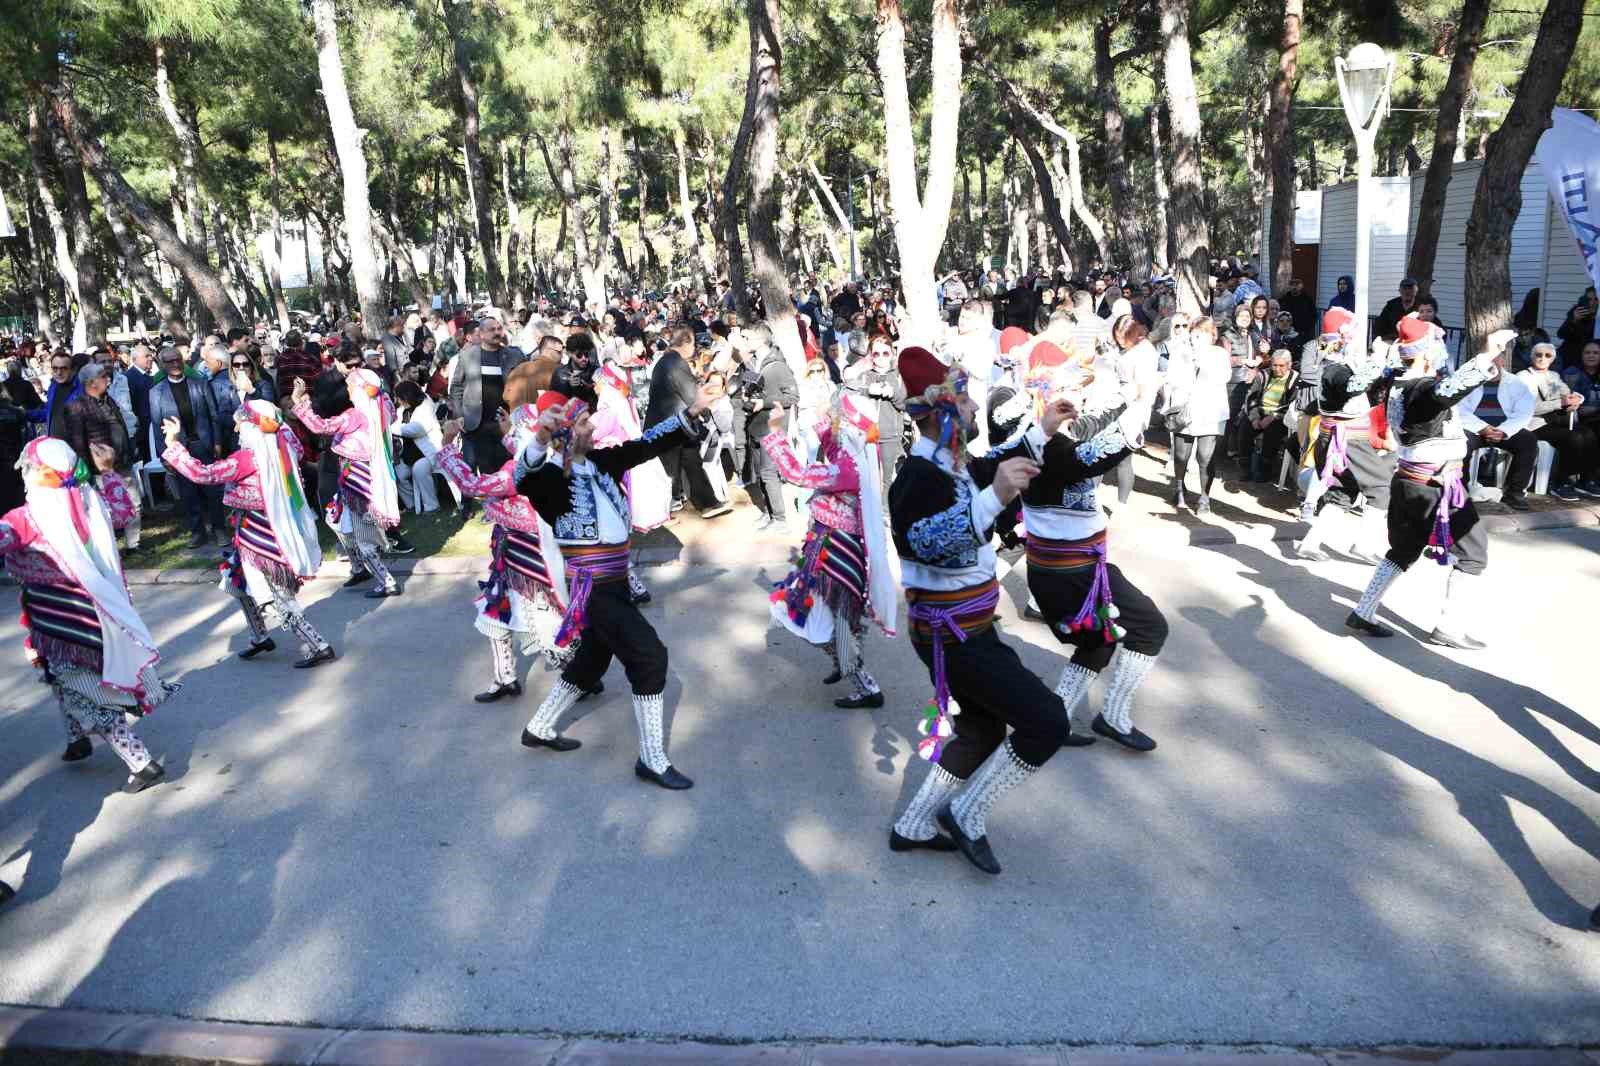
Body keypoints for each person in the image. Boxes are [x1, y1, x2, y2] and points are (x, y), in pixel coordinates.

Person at [885, 346, 1087, 876]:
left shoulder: (949, 464)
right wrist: (994, 497)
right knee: (1046, 722)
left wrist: (1043, 429)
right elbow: (921, 542)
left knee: (980, 730)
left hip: (965, 629)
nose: (975, 409)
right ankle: (967, 814)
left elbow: (993, 466)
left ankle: (911, 827)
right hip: (953, 635)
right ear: (939, 412)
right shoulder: (915, 478)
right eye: (966, 401)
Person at [511, 384, 724, 790]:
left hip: (615, 583)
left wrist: (692, 410)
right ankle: (652, 758)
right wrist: (539, 438)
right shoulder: (550, 480)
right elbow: (523, 475)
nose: (595, 425)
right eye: (587, 421)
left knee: (592, 660)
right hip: (593, 589)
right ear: (567, 432)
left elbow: (644, 443)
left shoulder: (600, 461)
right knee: (649, 658)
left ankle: (539, 727)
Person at [1002, 339, 1167, 750]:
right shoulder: (1043, 442)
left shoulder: (1051, 429)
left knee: (1099, 640)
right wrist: (1142, 407)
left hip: (1073, 569)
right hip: (1070, 573)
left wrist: (1132, 395)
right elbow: (1089, 457)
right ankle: (1112, 716)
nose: (1079, 395)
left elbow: (1091, 424)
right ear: (1047, 392)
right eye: (1071, 388)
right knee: (1149, 628)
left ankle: (1056, 718)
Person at [0, 438, 178, 794]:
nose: (25, 475)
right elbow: (125, 511)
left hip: (62, 623)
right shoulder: (88, 499)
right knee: (58, 676)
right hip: (92, 613)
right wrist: (109, 473)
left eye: (29, 469)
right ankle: (76, 738)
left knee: (82, 690)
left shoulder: (26, 518)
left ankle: (141, 762)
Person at [1345, 316, 1500, 649]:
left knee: (1403, 550)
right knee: (1473, 554)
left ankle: (1363, 611)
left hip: (1410, 481)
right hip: (1435, 485)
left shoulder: (1398, 384)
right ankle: (1449, 627)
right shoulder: (1420, 387)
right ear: (1427, 353)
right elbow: (1447, 390)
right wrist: (1487, 355)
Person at [160, 401, 336, 668]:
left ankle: (318, 645)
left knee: (276, 596)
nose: (235, 428)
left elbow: (204, 474)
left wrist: (173, 443)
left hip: (258, 534)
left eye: (239, 422)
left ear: (252, 425)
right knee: (237, 583)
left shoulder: (248, 457)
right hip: (267, 527)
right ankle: (260, 636)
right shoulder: (283, 445)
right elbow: (287, 433)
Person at [762, 391, 897, 710]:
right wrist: (825, 414)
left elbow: (795, 473)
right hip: (831, 548)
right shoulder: (856, 455)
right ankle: (849, 668)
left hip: (833, 554)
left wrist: (776, 433)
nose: (833, 426)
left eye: (838, 420)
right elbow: (832, 440)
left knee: (825, 623)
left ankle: (865, 685)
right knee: (827, 620)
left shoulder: (844, 469)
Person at [436, 405, 573, 702]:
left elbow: (472, 484)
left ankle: (580, 673)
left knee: (543, 620)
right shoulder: (548, 459)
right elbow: (523, 446)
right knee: (496, 614)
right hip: (512, 551)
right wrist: (509, 431)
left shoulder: (517, 471)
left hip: (526, 556)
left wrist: (448, 446)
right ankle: (505, 678)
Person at [1292, 308, 1396, 563]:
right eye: (1354, 335)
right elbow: (1355, 386)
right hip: (1348, 437)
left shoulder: (1338, 366)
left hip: (1341, 437)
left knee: (1343, 492)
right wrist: (1378, 359)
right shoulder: (1335, 369)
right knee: (1381, 487)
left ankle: (1310, 543)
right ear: (1343, 337)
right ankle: (1364, 544)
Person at [290, 368, 403, 598]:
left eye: (350, 386)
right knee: (336, 519)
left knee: (361, 535)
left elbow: (321, 426)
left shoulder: (356, 414)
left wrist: (299, 403)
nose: (348, 390)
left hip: (357, 483)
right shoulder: (381, 407)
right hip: (360, 478)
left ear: (361, 389)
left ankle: (386, 581)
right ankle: (360, 567)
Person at [149, 345, 227, 547]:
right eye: (170, 361)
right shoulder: (156, 392)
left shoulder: (199, 383)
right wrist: (165, 455)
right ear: (162, 365)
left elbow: (213, 415)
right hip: (179, 449)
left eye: (177, 360)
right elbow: (158, 427)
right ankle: (197, 531)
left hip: (204, 444)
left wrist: (217, 442)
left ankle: (219, 529)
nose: (175, 364)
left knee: (212, 489)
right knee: (188, 493)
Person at [647, 324, 728, 518]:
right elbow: (692, 395)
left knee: (691, 461)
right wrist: (708, 411)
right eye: (693, 344)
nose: (694, 350)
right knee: (670, 471)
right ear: (685, 342)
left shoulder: (664, 361)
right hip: (670, 425)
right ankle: (662, 512)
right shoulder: (675, 363)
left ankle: (708, 503)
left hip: (674, 424)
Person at [61, 362, 140, 550]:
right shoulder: (76, 407)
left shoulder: (109, 399)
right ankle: (110, 548)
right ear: (91, 382)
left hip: (123, 462)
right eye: (104, 376)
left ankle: (134, 544)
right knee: (106, 510)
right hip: (101, 469)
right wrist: (87, 471)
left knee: (134, 502)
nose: (108, 379)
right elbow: (78, 442)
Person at [1457, 332, 1536, 512]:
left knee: (1528, 441)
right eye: (1488, 358)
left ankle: (1515, 492)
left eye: (1497, 357)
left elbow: (1524, 412)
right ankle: (1461, 490)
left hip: (1504, 429)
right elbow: (1458, 409)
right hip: (1474, 429)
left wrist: (1504, 431)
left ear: (1503, 359)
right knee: (1461, 443)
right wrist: (1482, 428)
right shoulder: (1467, 381)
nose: (1493, 362)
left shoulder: (1516, 383)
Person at [1161, 317, 1231, 513]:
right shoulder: (1180, 353)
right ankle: (1179, 486)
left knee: (1205, 456)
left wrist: (1204, 365)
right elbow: (1173, 379)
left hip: (1211, 411)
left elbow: (1224, 377)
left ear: (1211, 336)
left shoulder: (1219, 354)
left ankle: (1204, 497)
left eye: (1203, 334)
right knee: (1182, 455)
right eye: (1195, 333)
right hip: (1186, 410)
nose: (1197, 338)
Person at [447, 312, 528, 474]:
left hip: (504, 423)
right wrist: (459, 415)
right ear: (481, 334)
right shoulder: (467, 355)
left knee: (507, 470)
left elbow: (526, 382)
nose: (497, 332)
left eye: (499, 329)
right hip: (476, 423)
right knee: (485, 471)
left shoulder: (514, 355)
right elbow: (456, 387)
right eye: (492, 329)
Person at [1518, 342, 1596, 501]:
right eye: (1538, 354)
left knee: (1589, 434)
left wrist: (1575, 400)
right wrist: (1560, 403)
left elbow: (1567, 393)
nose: (1542, 358)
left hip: (1553, 421)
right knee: (1574, 438)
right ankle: (1560, 482)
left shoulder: (1554, 376)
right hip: (1532, 424)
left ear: (1552, 359)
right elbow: (1528, 408)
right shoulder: (1524, 377)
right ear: (1531, 356)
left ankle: (1585, 479)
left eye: (1547, 355)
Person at [740, 327, 800, 532]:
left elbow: (792, 397)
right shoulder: (752, 363)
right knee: (759, 473)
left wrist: (764, 403)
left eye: (746, 337)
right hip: (755, 426)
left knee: (768, 473)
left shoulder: (778, 365)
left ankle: (780, 519)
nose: (744, 340)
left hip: (771, 427)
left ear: (759, 339)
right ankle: (768, 513)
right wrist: (747, 400)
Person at [843, 335, 907, 507]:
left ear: (892, 353)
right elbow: (849, 396)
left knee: (887, 477)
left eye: (885, 353)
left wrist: (892, 394)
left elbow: (905, 404)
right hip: (866, 434)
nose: (880, 358)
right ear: (870, 355)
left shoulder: (899, 376)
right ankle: (869, 511)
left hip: (890, 434)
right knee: (868, 477)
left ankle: (885, 511)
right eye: (876, 354)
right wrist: (867, 391)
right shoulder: (864, 376)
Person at [391, 380, 459, 514]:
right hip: (409, 454)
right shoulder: (403, 410)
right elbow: (399, 421)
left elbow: (418, 429)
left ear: (406, 397)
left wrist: (392, 428)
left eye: (399, 398)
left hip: (430, 453)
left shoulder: (425, 404)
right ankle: (413, 504)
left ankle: (431, 505)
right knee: (398, 474)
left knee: (419, 469)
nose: (398, 401)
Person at [1243, 349, 1299, 483]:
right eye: (1274, 365)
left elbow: (1293, 404)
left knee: (1273, 431)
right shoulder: (1263, 375)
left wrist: (1274, 416)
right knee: (1245, 428)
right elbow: (1251, 398)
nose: (1277, 369)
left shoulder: (1296, 379)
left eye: (1281, 366)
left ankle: (1265, 469)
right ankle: (1246, 469)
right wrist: (1255, 418)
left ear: (1289, 365)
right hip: (1261, 411)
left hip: (1280, 416)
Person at [1375, 278, 1421, 342]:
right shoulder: (1391, 305)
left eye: (1410, 288)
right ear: (1399, 291)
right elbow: (1380, 325)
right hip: (1392, 340)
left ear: (1416, 291)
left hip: (1415, 341)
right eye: (1404, 288)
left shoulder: (1422, 306)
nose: (1407, 291)